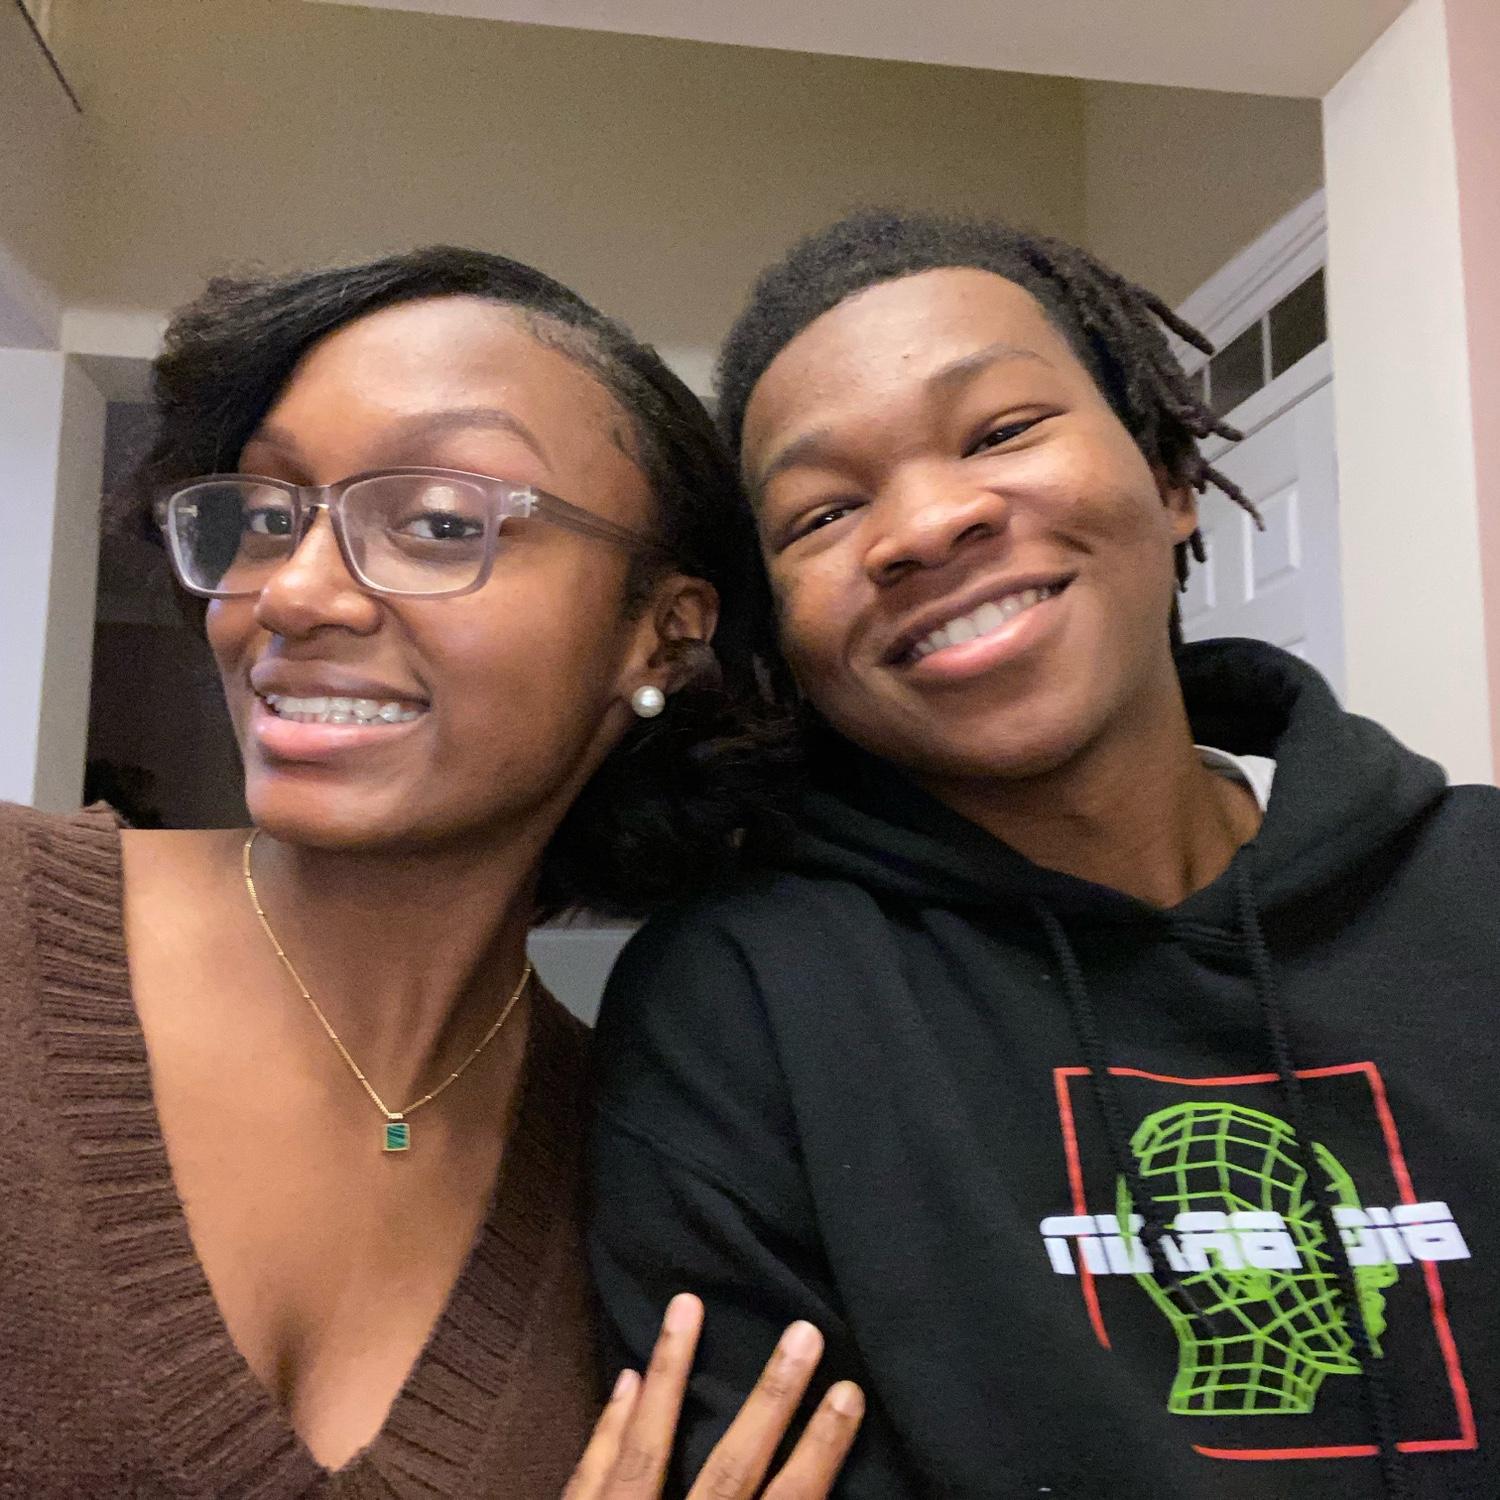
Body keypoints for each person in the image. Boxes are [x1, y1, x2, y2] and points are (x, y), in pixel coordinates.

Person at [588, 210, 1499, 1499]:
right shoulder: (739, 1008)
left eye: (1001, 431)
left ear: (1170, 478)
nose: (926, 524)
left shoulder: (1477, 889)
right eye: (824, 510)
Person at [0, 245, 864, 1498]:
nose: (294, 594)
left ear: (661, 632)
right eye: (268, 516)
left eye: (441, 523)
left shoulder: (652, 1155)